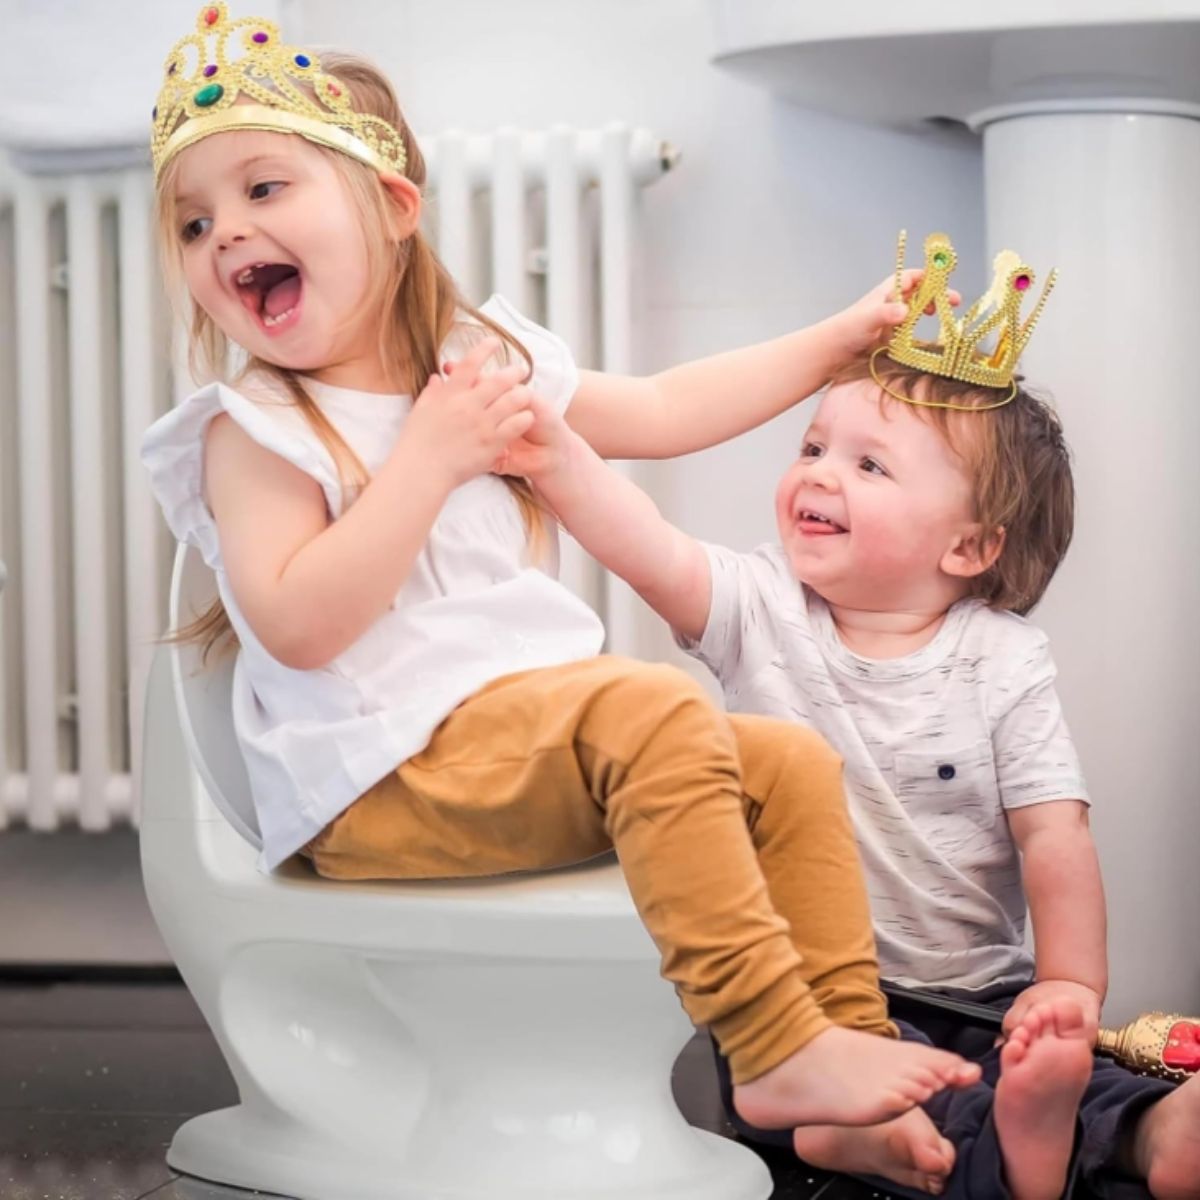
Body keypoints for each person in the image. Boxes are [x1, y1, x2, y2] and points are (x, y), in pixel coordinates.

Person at [139, 6, 982, 1137]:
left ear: (392, 207)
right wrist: (429, 460)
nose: (226, 234)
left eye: (263, 189)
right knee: (654, 710)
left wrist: (837, 339)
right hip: (375, 779)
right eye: (194, 223)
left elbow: (668, 409)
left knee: (787, 762)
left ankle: (847, 1070)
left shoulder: (473, 362)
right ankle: (770, 1043)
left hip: (502, 745)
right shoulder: (255, 430)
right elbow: (294, 624)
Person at [508, 250, 1200, 1198]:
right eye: (812, 450)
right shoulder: (758, 609)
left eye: (868, 464)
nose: (820, 475)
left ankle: (1154, 1133)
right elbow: (644, 541)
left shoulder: (1004, 659)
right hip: (810, 1004)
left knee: (1044, 1068)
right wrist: (554, 454)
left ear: (970, 544)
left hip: (983, 990)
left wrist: (1068, 987)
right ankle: (980, 1147)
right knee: (857, 1088)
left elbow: (1054, 834)